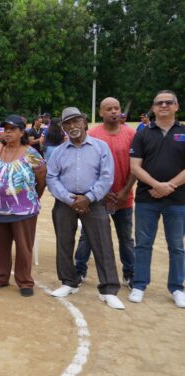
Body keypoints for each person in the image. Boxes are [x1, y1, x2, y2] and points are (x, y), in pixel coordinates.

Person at [46, 107, 124, 310]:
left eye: (76, 121)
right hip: (66, 202)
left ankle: (108, 289)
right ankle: (68, 282)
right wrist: (70, 199)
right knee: (64, 242)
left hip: (94, 202)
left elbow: (107, 176)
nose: (73, 126)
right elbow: (52, 177)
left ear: (84, 123)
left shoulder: (100, 147)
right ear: (63, 127)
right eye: (68, 123)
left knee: (102, 243)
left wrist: (88, 198)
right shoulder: (58, 152)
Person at [128, 90, 185, 308]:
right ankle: (140, 285)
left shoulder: (183, 132)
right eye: (159, 103)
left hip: (178, 199)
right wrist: (157, 185)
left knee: (177, 245)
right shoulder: (143, 133)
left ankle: (177, 287)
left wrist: (168, 187)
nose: (163, 106)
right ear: (153, 108)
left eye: (168, 102)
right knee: (143, 244)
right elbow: (135, 166)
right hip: (147, 198)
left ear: (176, 106)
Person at [74, 97, 136, 286]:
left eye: (116, 108)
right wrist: (100, 191)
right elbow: (86, 166)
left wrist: (126, 190)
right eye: (109, 109)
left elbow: (136, 166)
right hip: (97, 198)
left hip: (123, 196)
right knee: (88, 235)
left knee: (125, 237)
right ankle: (79, 270)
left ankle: (130, 273)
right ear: (101, 112)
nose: (114, 111)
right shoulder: (92, 134)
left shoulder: (131, 134)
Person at [0, 115, 45, 297]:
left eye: (12, 129)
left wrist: (33, 198)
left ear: (22, 132)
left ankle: (25, 281)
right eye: (6, 128)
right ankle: (0, 277)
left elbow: (41, 179)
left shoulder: (31, 153)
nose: (8, 132)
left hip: (24, 210)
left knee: (23, 246)